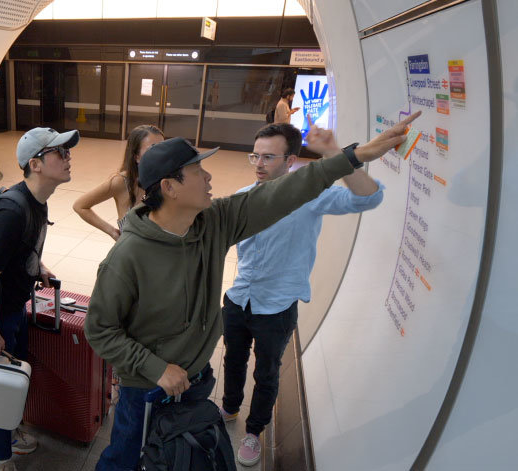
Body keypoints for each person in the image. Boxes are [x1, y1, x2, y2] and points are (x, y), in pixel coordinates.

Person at [84, 111, 421, 471]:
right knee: (123, 459)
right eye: (198, 171)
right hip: (148, 388)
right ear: (170, 187)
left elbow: (284, 192)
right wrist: (156, 368)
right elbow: (99, 330)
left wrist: (354, 156)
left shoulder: (213, 222)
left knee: (174, 459)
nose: (209, 177)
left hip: (196, 380)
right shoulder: (128, 256)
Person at [220, 122, 385, 466]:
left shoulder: (311, 196)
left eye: (268, 157)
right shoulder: (244, 195)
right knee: (233, 359)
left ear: (290, 160)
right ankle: (230, 408)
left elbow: (369, 197)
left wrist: (334, 153)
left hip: (277, 307)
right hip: (238, 298)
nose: (259, 163)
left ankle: (254, 432)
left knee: (267, 373)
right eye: (255, 155)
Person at [0, 127, 77, 471]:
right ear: (35, 164)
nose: (68, 157)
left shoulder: (37, 202)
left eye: (67, 151)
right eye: (60, 152)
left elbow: (19, 249)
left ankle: (8, 436)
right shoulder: (11, 211)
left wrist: (37, 266)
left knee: (13, 378)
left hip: (13, 305)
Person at [72, 125, 163, 241]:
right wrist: (112, 232)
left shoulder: (167, 182)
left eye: (163, 148)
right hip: (130, 251)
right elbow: (80, 206)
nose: (161, 155)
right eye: (152, 150)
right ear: (136, 156)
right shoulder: (121, 182)